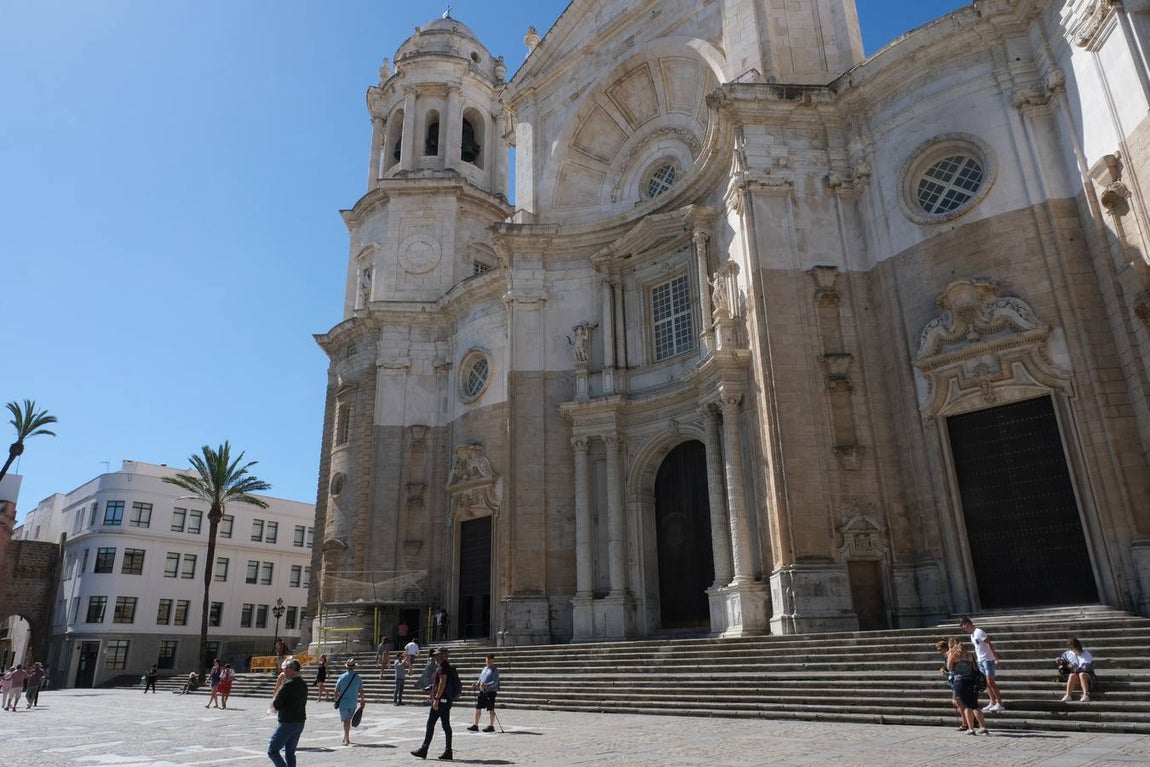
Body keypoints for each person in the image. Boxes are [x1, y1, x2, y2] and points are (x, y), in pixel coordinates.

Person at [411, 648, 456, 761]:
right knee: (446, 726)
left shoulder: (443, 667)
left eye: (438, 655)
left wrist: (436, 698)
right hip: (445, 701)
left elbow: (443, 682)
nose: (435, 657)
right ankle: (448, 751)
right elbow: (439, 683)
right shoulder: (445, 666)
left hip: (440, 701)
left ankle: (424, 749)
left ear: (444, 655)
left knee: (430, 724)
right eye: (435, 655)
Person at [959, 616, 1004, 713]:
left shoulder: (979, 632)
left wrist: (995, 658)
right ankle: (992, 701)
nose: (964, 630)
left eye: (964, 628)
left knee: (990, 682)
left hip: (988, 659)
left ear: (968, 624)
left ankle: (999, 703)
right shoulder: (972, 635)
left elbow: (989, 644)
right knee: (986, 683)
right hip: (981, 660)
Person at [268, 658, 307, 767]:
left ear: (291, 670)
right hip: (300, 721)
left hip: (287, 722)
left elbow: (277, 704)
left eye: (285, 669)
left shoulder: (288, 685)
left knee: (272, 750)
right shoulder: (303, 684)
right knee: (290, 753)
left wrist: (279, 690)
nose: (283, 672)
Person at [946, 638, 989, 735]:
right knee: (975, 705)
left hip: (960, 681)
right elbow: (974, 668)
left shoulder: (953, 654)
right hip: (972, 681)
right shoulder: (969, 654)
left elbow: (949, 667)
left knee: (966, 706)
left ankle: (971, 728)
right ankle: (983, 727)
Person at [934, 640, 965, 731]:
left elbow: (953, 670)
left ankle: (965, 722)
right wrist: (943, 669)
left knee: (958, 702)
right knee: (956, 702)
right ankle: (967, 720)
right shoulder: (947, 656)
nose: (939, 652)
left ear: (945, 648)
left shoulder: (950, 655)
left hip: (956, 680)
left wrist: (946, 672)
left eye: (939, 649)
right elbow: (947, 667)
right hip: (953, 681)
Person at [334, 659, 366, 746]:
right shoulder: (357, 678)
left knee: (346, 720)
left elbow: (336, 691)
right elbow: (361, 691)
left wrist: (336, 700)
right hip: (353, 702)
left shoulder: (341, 677)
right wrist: (362, 701)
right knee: (348, 720)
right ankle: (345, 736)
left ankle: (347, 738)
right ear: (354, 667)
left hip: (343, 703)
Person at [467, 654, 500, 733]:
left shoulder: (495, 670)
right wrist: (476, 684)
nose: (487, 662)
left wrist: (487, 685)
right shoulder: (484, 669)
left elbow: (495, 682)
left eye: (489, 660)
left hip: (490, 692)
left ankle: (491, 725)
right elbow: (480, 679)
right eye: (486, 660)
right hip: (482, 691)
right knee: (478, 707)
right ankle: (476, 725)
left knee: (491, 708)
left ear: (493, 660)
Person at [1059, 638, 1095, 702]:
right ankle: (1068, 695)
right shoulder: (1067, 654)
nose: (1073, 649)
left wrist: (1072, 667)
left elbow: (1085, 668)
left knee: (1081, 674)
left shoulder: (1086, 655)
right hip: (1075, 675)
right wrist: (1063, 664)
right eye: (1071, 648)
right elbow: (1061, 661)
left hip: (1088, 676)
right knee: (1072, 675)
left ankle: (1085, 695)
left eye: (1074, 647)